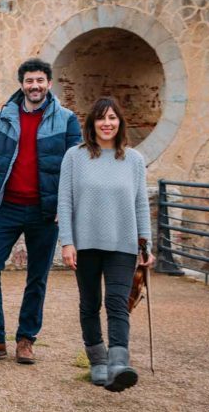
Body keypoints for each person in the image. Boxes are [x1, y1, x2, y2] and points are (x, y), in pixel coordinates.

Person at [0, 58, 81, 364]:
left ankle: (25, 339)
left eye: (40, 80)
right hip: (6, 207)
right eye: (29, 81)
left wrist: (67, 206)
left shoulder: (67, 119)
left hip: (46, 211)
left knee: (37, 277)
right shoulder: (4, 116)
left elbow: (76, 166)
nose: (35, 86)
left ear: (48, 83)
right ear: (22, 84)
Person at [58, 97, 154, 392]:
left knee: (117, 303)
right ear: (92, 124)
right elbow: (65, 202)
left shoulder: (134, 160)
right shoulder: (75, 156)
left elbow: (141, 204)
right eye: (101, 118)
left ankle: (117, 364)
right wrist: (67, 243)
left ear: (120, 122)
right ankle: (97, 363)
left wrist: (145, 244)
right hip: (85, 244)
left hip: (123, 243)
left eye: (112, 118)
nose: (107, 123)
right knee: (90, 304)